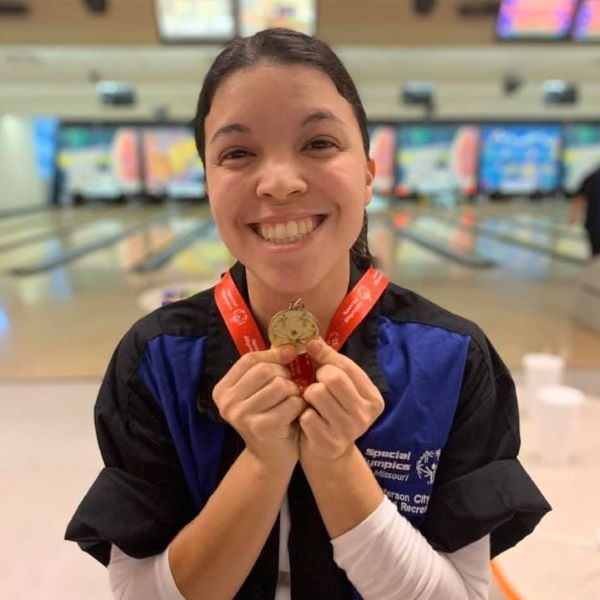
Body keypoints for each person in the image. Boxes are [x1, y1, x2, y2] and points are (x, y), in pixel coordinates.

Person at [65, 28, 550, 600]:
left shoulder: (452, 359)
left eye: (319, 143)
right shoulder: (155, 359)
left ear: (368, 174)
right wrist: (262, 463)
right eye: (237, 153)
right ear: (208, 183)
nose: (280, 183)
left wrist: (337, 462)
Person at [570, 164, 600, 257]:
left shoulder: (591, 176)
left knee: (595, 254)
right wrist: (574, 215)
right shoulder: (592, 177)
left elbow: (580, 197)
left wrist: (573, 216)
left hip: (594, 227)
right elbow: (580, 197)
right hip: (594, 226)